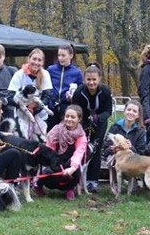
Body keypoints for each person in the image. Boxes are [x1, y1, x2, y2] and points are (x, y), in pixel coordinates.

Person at [71, 64, 112, 193]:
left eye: (94, 79)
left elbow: (108, 111)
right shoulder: (79, 92)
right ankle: (77, 179)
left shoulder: (105, 91)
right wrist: (81, 121)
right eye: (88, 79)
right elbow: (75, 109)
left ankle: (93, 180)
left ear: (99, 79)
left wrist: (98, 118)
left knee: (96, 150)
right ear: (84, 80)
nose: (91, 82)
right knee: (81, 148)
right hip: (82, 122)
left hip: (99, 122)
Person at [35, 105, 87, 201]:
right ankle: (38, 185)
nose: (69, 119)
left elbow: (79, 153)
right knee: (47, 170)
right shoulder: (56, 129)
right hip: (55, 161)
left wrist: (72, 168)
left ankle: (69, 189)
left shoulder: (81, 136)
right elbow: (49, 148)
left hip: (69, 163)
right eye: (67, 116)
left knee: (76, 168)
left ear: (79, 119)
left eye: (73, 117)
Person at [7, 48, 53, 136]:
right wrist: (25, 108)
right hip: (21, 116)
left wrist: (34, 109)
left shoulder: (45, 74)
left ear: (42, 62)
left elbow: (47, 96)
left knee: (40, 143)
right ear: (29, 59)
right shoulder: (19, 74)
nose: (36, 62)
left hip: (40, 116)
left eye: (39, 60)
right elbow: (10, 97)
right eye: (34, 59)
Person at [46, 44, 83, 129]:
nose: (60, 58)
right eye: (59, 55)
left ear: (71, 56)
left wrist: (73, 98)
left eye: (63, 55)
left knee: (66, 133)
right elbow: (46, 87)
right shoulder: (51, 70)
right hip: (52, 107)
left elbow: (80, 91)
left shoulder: (76, 72)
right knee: (51, 133)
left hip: (67, 108)